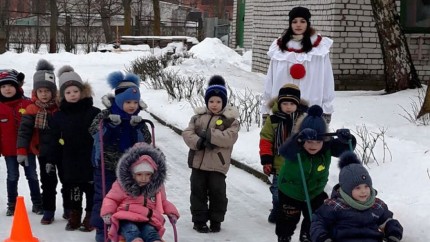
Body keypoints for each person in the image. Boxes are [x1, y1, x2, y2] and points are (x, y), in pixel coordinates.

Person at [276, 105, 356, 242]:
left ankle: (308, 235)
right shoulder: (295, 147)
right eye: (309, 141)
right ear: (302, 139)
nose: (313, 145)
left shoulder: (327, 147)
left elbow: (345, 148)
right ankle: (284, 236)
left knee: (317, 215)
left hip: (315, 191)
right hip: (290, 191)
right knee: (288, 217)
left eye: (318, 141)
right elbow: (284, 151)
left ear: (324, 140)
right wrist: (298, 139)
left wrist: (348, 138)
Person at [89, 71, 152, 242]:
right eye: (127, 102)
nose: (132, 106)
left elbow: (147, 142)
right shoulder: (105, 115)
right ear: (118, 100)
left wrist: (137, 128)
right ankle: (102, 230)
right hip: (107, 166)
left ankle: (123, 230)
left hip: (130, 171)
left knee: (127, 200)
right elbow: (94, 131)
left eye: (134, 102)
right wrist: (110, 126)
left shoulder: (137, 119)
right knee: (103, 198)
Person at [182, 75, 240, 233]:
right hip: (198, 163)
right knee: (197, 191)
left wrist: (209, 135)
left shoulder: (230, 120)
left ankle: (216, 219)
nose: (214, 105)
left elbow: (230, 137)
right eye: (211, 101)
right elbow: (187, 133)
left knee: (218, 193)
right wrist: (199, 142)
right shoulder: (198, 117)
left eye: (218, 101)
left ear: (224, 102)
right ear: (207, 101)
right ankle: (199, 220)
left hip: (217, 165)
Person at [261, 6, 335, 124]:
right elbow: (270, 79)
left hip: (311, 106)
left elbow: (327, 80)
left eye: (302, 21)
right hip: (283, 108)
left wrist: (327, 109)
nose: (298, 25)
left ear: (308, 23)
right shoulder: (279, 48)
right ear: (290, 24)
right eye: (294, 21)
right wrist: (266, 108)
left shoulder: (319, 49)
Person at [16, 59, 68, 224]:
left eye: (47, 91)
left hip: (63, 151)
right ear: (35, 92)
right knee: (48, 183)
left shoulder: (61, 108)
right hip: (44, 153)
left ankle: (68, 208)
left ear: (54, 92)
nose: (44, 94)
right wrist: (22, 150)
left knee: (67, 180)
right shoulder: (32, 109)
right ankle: (48, 210)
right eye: (40, 91)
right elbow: (24, 132)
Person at [50, 65, 101, 231]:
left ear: (83, 92)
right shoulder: (58, 116)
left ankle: (90, 215)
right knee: (74, 189)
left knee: (91, 188)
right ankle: (75, 214)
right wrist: (51, 158)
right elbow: (54, 139)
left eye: (75, 91)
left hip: (90, 158)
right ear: (63, 95)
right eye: (68, 92)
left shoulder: (94, 112)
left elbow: (102, 135)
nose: (72, 95)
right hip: (69, 159)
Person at [310, 151, 403, 242]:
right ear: (347, 190)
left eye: (366, 186)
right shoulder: (334, 206)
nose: (363, 191)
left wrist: (394, 233)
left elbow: (388, 221)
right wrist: (322, 237)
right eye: (357, 188)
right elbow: (318, 223)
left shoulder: (376, 205)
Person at [100, 142, 179, 242]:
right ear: (132, 174)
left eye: (148, 174)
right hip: (126, 218)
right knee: (131, 230)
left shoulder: (156, 188)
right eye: (139, 174)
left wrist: (172, 212)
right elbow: (111, 199)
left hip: (148, 219)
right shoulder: (122, 185)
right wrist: (108, 212)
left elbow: (163, 202)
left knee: (150, 232)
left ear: (153, 174)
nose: (144, 178)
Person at [259, 83, 307, 223]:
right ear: (279, 103)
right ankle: (277, 209)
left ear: (297, 104)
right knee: (277, 191)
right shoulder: (273, 119)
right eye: (285, 103)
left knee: (294, 192)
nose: (288, 107)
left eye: (292, 104)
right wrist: (266, 160)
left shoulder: (303, 121)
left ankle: (290, 212)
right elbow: (266, 139)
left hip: (297, 165)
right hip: (279, 164)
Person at [0, 69, 43, 216]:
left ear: (17, 87)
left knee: (32, 176)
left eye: (10, 86)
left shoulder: (27, 103)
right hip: (10, 151)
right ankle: (12, 204)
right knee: (12, 176)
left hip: (28, 149)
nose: (7, 89)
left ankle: (37, 203)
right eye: (3, 87)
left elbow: (36, 127)